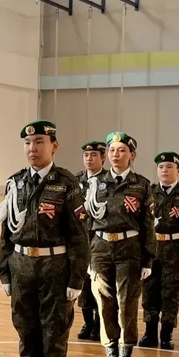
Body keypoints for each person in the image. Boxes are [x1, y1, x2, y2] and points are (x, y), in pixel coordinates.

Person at [0, 120, 89, 357]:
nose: (32, 148)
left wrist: (76, 279)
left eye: (39, 142)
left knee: (54, 338)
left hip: (55, 272)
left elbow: (79, 236)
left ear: (54, 146)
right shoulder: (15, 183)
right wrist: (4, 271)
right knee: (27, 336)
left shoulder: (66, 183)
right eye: (27, 143)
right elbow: (7, 233)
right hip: (22, 269)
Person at [85, 132, 155, 357]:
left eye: (122, 150)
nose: (116, 154)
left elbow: (148, 225)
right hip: (100, 249)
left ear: (131, 155)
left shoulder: (141, 185)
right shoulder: (95, 183)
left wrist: (148, 259)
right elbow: (86, 222)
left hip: (129, 250)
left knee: (126, 303)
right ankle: (111, 354)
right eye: (112, 150)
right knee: (104, 303)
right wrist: (86, 257)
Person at [140, 152, 179, 350]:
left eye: (169, 167)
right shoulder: (149, 192)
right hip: (153, 250)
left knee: (171, 293)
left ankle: (166, 334)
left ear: (178, 170)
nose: (164, 171)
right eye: (161, 167)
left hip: (175, 251)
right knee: (149, 292)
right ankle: (150, 333)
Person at [74, 140, 106, 342]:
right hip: (79, 240)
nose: (89, 159)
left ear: (103, 158)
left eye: (94, 155)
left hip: (99, 241)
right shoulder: (75, 180)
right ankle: (88, 323)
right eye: (86, 155)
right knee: (83, 284)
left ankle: (99, 323)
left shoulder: (108, 181)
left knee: (99, 284)